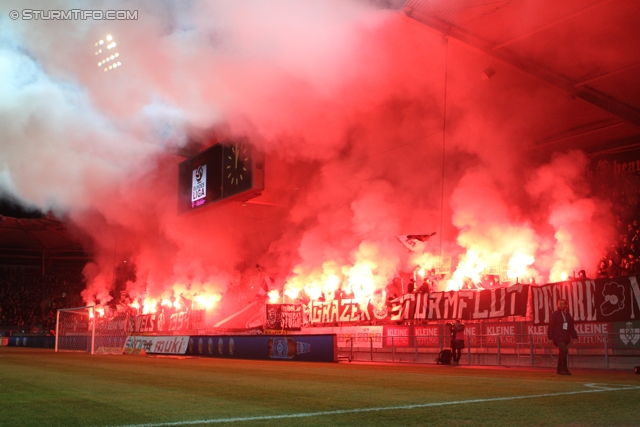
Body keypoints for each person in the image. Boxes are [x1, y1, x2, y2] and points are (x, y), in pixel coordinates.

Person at [547, 299, 578, 375]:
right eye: (560, 304)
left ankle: (559, 369)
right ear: (558, 305)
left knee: (562, 352)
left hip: (565, 337)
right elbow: (551, 326)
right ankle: (564, 369)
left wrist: (575, 337)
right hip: (558, 337)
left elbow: (571, 327)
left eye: (563, 304)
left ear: (565, 305)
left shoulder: (567, 315)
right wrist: (550, 338)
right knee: (564, 350)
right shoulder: (555, 314)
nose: (561, 305)